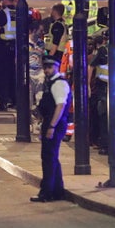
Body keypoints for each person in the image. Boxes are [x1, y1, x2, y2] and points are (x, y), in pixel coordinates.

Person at [30, 56, 71, 203]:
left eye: (49, 67)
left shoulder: (58, 84)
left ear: (56, 67)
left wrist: (52, 126)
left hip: (55, 124)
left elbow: (60, 106)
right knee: (51, 157)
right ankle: (57, 191)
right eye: (45, 67)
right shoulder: (51, 83)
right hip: (51, 122)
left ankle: (46, 193)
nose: (46, 70)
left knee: (48, 158)